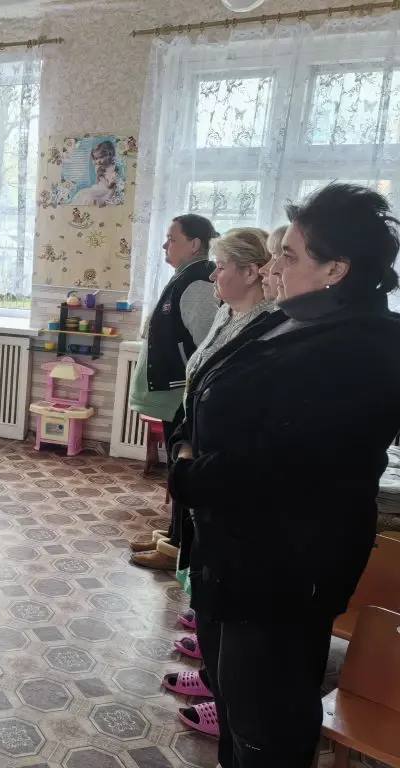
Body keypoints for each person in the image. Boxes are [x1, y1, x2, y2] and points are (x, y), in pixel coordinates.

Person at [169, 183, 400, 767]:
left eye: (290, 256)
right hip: (233, 555)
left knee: (266, 721)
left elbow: (282, 465)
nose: (274, 268)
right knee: (234, 700)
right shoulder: (291, 319)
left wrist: (190, 475)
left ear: (336, 270)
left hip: (284, 570)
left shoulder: (365, 348)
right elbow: (208, 385)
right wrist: (186, 442)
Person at [158, 228, 277, 737]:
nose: (214, 275)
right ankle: (210, 661)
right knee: (200, 563)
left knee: (218, 574)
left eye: (223, 266)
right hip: (198, 453)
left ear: (252, 272)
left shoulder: (268, 328)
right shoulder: (228, 314)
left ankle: (221, 693)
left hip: (216, 467)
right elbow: (201, 376)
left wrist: (190, 451)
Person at [128, 214, 220, 569]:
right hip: (176, 394)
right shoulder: (186, 276)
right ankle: (173, 536)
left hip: (184, 394)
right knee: (175, 467)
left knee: (182, 469)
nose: (165, 245)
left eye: (172, 239)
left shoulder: (197, 283)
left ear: (194, 244)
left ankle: (177, 549)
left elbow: (206, 345)